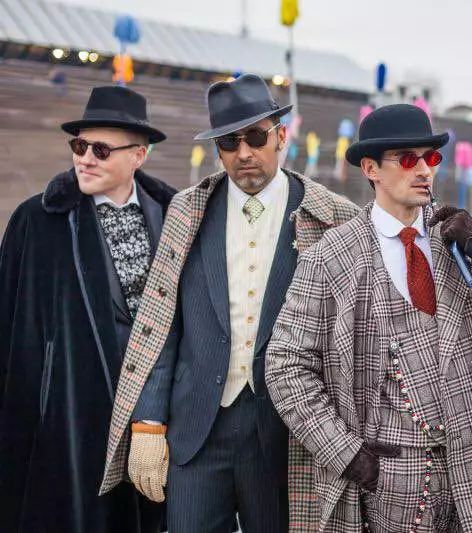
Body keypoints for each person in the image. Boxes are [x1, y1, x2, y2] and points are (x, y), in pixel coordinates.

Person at [266, 104, 472, 532]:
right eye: (407, 159)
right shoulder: (330, 257)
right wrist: (346, 454)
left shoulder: (459, 240)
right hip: (389, 486)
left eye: (430, 157)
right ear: (371, 169)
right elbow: (285, 366)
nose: (424, 170)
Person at [99, 74, 360, 533]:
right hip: (196, 430)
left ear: (281, 135)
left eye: (256, 137)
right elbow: (160, 322)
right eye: (228, 142)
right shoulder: (188, 210)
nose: (244, 153)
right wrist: (149, 421)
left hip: (286, 436)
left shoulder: (333, 217)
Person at [0, 85, 174, 532]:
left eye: (101, 149)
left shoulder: (177, 217)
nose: (85, 159)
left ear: (139, 156)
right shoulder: (37, 221)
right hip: (68, 423)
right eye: (79, 146)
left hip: (155, 422)